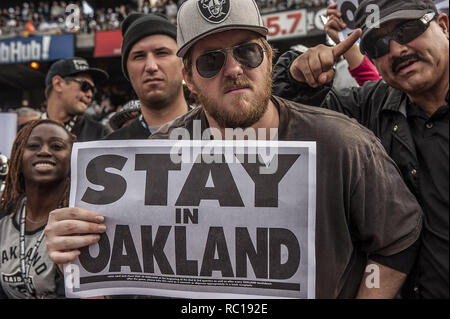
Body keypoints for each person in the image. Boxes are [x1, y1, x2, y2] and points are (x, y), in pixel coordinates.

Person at [45, 0, 423, 299]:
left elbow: (396, 240)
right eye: (211, 61)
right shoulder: (155, 156)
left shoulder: (340, 141)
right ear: (189, 79)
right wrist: (76, 257)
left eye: (247, 53)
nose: (234, 70)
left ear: (269, 58)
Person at [272, 0, 449, 299]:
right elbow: (281, 118)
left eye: (406, 30)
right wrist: (297, 78)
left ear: (443, 26)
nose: (396, 50)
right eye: (378, 45)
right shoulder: (370, 106)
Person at [0, 119, 75, 298]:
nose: (44, 151)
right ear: (18, 156)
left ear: (72, 158)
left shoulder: (77, 223)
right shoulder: (4, 217)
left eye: (57, 146)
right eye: (33, 146)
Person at [104, 13, 190, 140]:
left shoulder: (221, 135)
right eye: (139, 56)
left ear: (183, 62)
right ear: (127, 70)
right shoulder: (107, 151)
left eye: (162, 53)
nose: (151, 66)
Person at [44, 57, 110, 142]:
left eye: (93, 90)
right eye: (85, 86)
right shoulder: (24, 133)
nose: (90, 94)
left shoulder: (100, 134)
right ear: (58, 84)